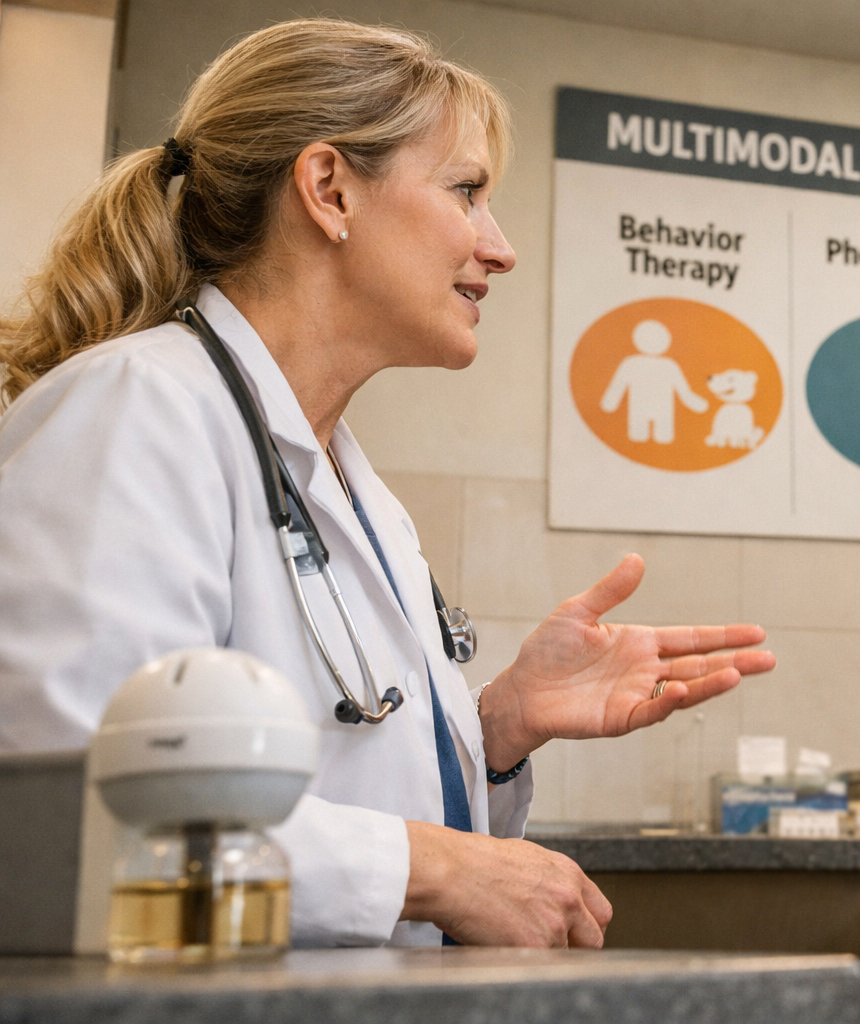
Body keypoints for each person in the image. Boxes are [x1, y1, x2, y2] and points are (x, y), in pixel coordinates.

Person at [0, 19, 774, 949]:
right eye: (467, 192)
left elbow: (348, 784)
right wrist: (428, 867)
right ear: (329, 191)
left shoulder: (355, 491)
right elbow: (60, 819)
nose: (500, 248)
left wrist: (495, 731)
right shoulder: (134, 411)